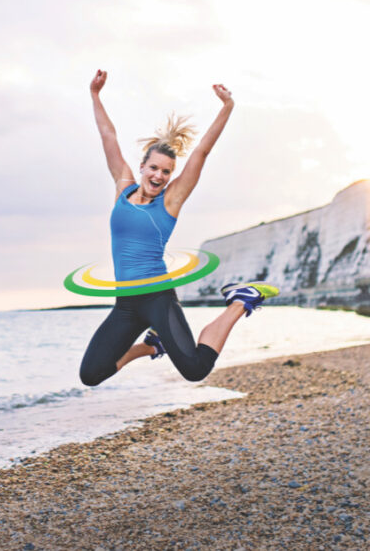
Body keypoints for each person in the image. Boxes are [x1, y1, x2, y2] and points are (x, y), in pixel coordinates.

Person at [79, 69, 278, 387]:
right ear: (142, 166)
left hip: (158, 296)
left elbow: (201, 152)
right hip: (126, 303)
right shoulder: (123, 187)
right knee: (90, 374)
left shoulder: (170, 201)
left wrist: (227, 108)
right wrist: (95, 95)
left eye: (166, 172)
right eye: (154, 168)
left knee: (196, 369)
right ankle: (150, 346)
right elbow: (108, 137)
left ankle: (242, 300)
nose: (159, 176)